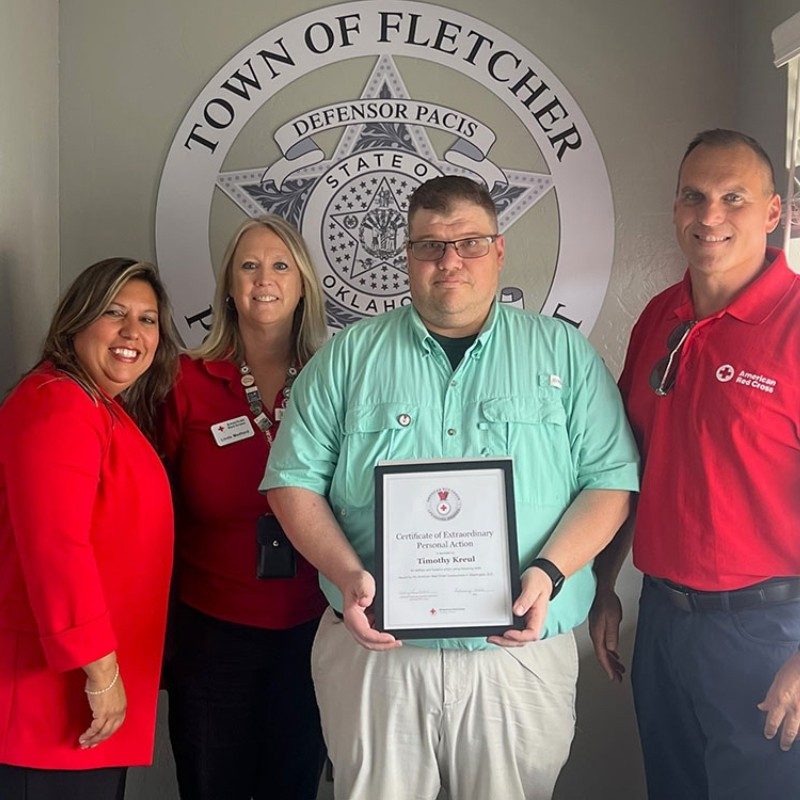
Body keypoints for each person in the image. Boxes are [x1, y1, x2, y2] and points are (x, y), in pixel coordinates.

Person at [263, 175, 639, 800]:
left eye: (468, 242)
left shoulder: (564, 356)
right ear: (407, 256)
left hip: (516, 653)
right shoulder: (348, 358)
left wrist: (548, 572)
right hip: (377, 650)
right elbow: (292, 484)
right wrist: (349, 574)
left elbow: (611, 483)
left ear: (498, 250)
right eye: (430, 246)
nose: (449, 261)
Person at [590, 129, 800, 799]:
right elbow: (629, 464)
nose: (710, 216)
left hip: (770, 633)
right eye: (694, 197)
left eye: (733, 198)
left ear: (773, 213)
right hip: (665, 623)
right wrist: (604, 584)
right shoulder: (659, 317)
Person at [159, 214, 329, 800]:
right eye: (249, 266)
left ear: (303, 282)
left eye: (281, 265)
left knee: (294, 787)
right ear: (229, 287)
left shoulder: (336, 379)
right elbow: (156, 510)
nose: (264, 279)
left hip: (314, 628)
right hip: (210, 634)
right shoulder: (183, 381)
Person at [0, 258, 179, 800]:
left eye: (148, 320)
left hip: (76, 695)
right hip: (52, 698)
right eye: (114, 313)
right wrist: (102, 675)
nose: (133, 333)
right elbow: (58, 549)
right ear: (76, 321)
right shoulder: (58, 404)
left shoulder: (98, 406)